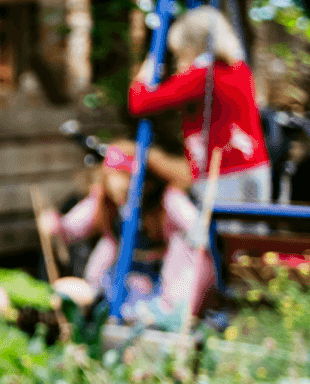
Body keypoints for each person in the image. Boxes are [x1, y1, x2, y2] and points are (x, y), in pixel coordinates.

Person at [35, 140, 213, 329]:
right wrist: (55, 226)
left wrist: (198, 239)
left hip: (162, 269)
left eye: (126, 184)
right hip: (122, 271)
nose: (120, 195)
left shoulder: (167, 199)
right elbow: (72, 228)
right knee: (104, 295)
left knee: (172, 289)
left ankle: (166, 318)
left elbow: (196, 228)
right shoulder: (105, 202)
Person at [128, 6, 271, 206]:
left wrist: (143, 75)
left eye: (180, 54)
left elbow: (140, 103)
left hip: (222, 173)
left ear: (191, 47)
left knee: (221, 232)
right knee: (250, 234)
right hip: (256, 166)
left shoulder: (202, 76)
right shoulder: (240, 69)